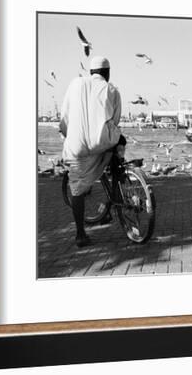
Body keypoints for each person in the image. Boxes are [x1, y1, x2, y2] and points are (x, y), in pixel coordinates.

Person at [58, 56, 126, 248]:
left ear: (90, 72)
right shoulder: (112, 89)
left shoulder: (75, 84)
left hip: (77, 148)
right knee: (116, 149)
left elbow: (64, 117)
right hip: (101, 144)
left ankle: (80, 234)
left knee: (77, 190)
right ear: (108, 73)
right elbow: (115, 120)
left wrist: (67, 134)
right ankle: (113, 200)